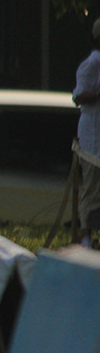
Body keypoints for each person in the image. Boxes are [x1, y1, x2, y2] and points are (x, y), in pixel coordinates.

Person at [73, 18, 100, 248]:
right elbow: (78, 97)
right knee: (91, 186)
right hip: (93, 136)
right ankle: (86, 237)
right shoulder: (92, 63)